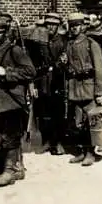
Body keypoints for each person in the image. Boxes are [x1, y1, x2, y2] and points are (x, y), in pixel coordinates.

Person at [0, 18, 36, 187]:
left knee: (10, 136)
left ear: (5, 33)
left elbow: (30, 71)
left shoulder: (15, 50)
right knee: (6, 135)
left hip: (14, 101)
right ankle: (18, 168)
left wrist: (8, 72)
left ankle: (9, 172)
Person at [64, 12, 102, 167]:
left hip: (89, 88)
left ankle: (90, 153)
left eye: (77, 26)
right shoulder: (69, 44)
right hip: (75, 88)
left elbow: (100, 69)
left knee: (90, 122)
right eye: (72, 26)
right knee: (78, 123)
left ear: (82, 26)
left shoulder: (91, 43)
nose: (74, 29)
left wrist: (100, 92)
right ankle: (82, 151)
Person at [34, 12, 68, 155]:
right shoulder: (39, 42)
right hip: (42, 81)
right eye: (48, 25)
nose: (51, 28)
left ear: (58, 26)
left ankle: (58, 142)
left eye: (54, 25)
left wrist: (58, 65)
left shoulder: (63, 41)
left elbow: (65, 60)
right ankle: (46, 141)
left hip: (57, 81)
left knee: (58, 112)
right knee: (43, 112)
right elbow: (34, 62)